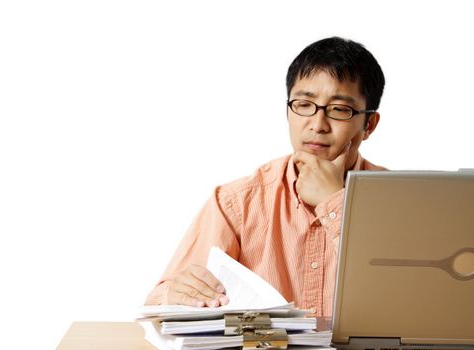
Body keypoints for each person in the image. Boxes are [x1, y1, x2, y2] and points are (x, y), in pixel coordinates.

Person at [145, 37, 386, 317]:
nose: (318, 125)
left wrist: (335, 204)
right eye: (304, 104)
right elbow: (159, 302)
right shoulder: (236, 204)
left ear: (369, 124)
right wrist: (177, 294)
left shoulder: (406, 202)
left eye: (339, 109)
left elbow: (409, 304)